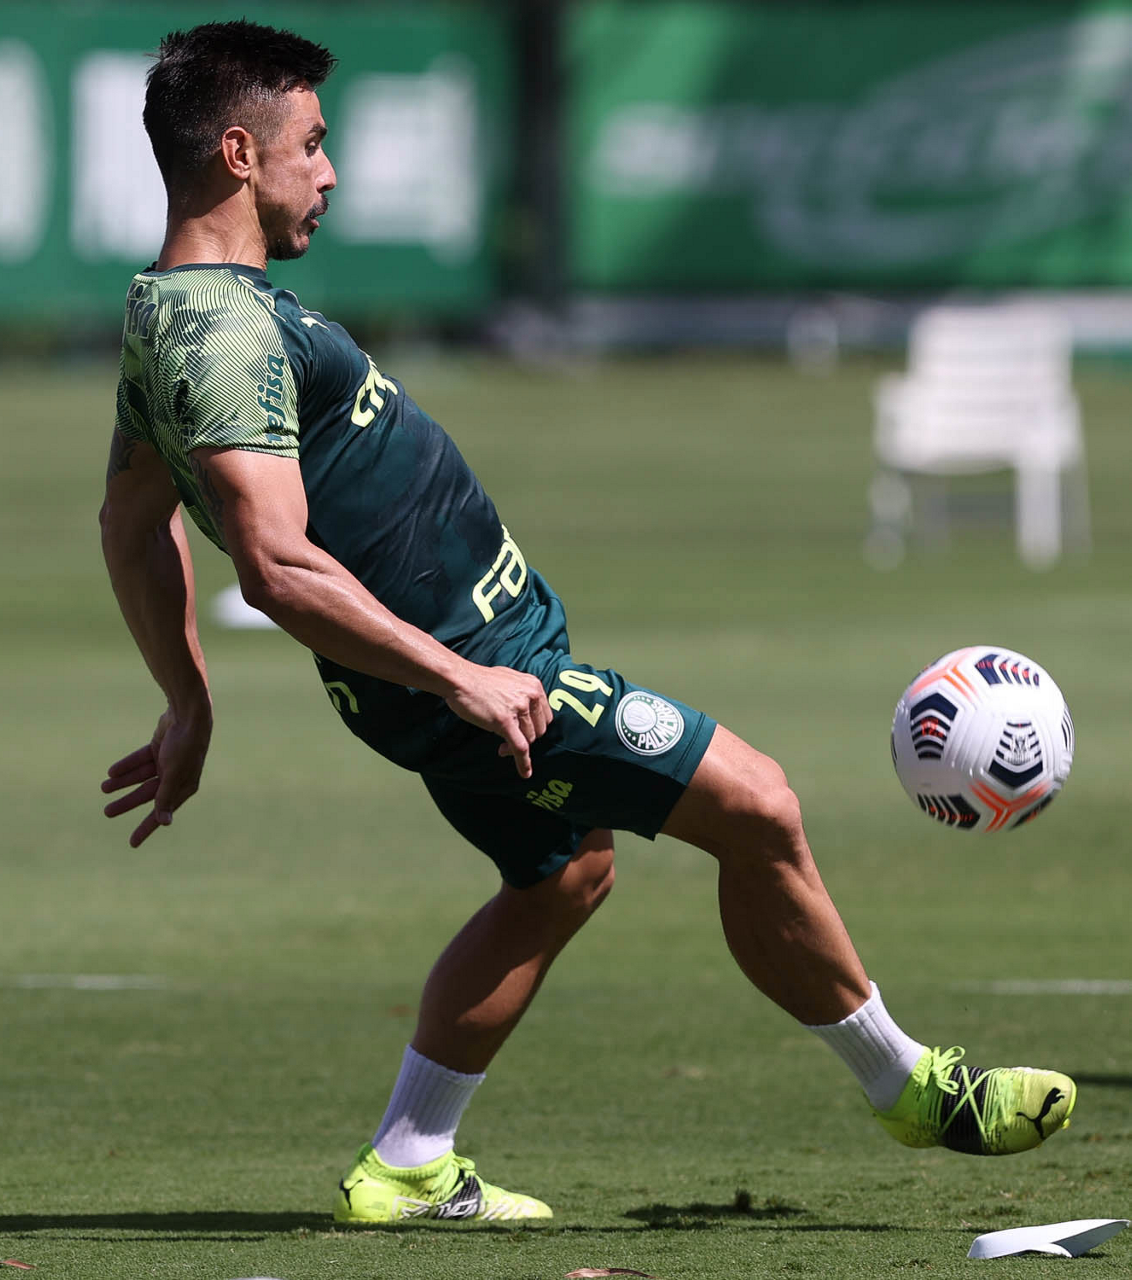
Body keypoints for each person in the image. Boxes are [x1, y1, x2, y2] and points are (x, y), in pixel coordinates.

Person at [99, 19, 1076, 1225]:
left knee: (561, 876)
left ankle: (406, 1158)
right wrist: (457, 677)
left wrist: (188, 700)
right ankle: (913, 1087)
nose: (331, 170)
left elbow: (132, 519)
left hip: (468, 668)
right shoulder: (220, 330)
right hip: (481, 676)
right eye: (311, 144)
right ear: (240, 154)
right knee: (760, 804)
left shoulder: (181, 311)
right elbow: (277, 564)